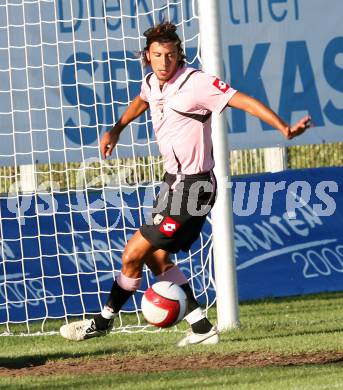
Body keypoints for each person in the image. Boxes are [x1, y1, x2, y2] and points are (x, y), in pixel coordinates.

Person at [60, 21, 312, 346]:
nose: (164, 62)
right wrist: (116, 129)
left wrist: (283, 127)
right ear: (147, 57)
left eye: (170, 55)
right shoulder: (153, 82)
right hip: (173, 184)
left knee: (132, 254)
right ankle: (201, 327)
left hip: (195, 187)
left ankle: (102, 321)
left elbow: (243, 100)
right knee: (156, 257)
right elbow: (142, 99)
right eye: (157, 55)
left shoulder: (196, 83)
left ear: (179, 53)